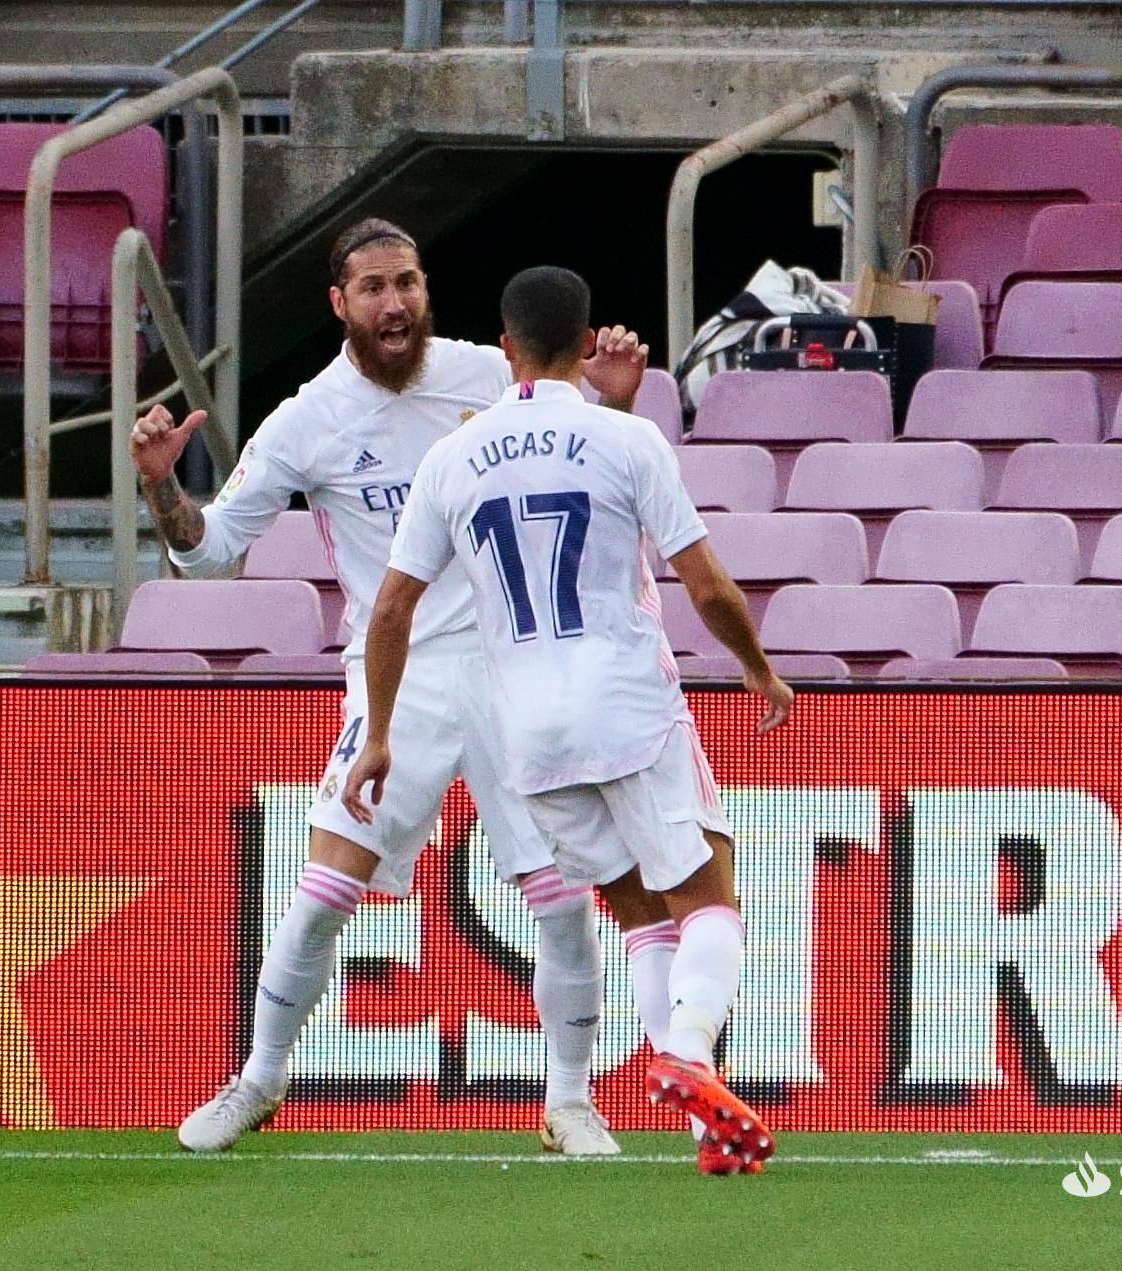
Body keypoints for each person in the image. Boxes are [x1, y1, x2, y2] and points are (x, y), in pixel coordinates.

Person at [135, 219, 654, 1156]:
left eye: (407, 283)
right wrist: (164, 491)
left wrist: (607, 403)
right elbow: (208, 553)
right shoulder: (305, 420)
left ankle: (570, 1101)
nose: (394, 304)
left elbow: (587, 461)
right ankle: (257, 1079)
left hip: (513, 672)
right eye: (372, 288)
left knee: (562, 899)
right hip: (396, 682)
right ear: (339, 303)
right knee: (322, 893)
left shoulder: (489, 377)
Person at [340, 266, 796, 1174]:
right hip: (626, 699)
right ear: (589, 344)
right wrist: (758, 669)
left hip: (526, 728)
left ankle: (704, 1123)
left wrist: (379, 734)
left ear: (503, 346)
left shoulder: (452, 455)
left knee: (638, 913)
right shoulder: (625, 440)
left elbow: (389, 611)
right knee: (709, 898)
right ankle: (691, 1053)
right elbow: (703, 583)